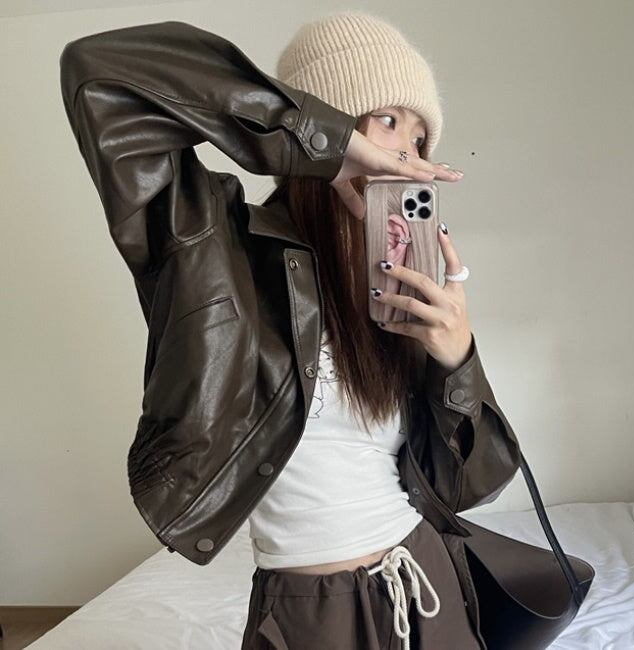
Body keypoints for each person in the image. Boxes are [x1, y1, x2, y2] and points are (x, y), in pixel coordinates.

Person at [60, 10, 522, 650]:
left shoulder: (394, 289)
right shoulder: (214, 247)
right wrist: (323, 146)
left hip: (428, 584)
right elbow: (98, 73)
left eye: (420, 141)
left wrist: (457, 360)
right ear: (324, 119)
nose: (405, 155)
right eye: (387, 120)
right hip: (308, 610)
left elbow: (472, 486)